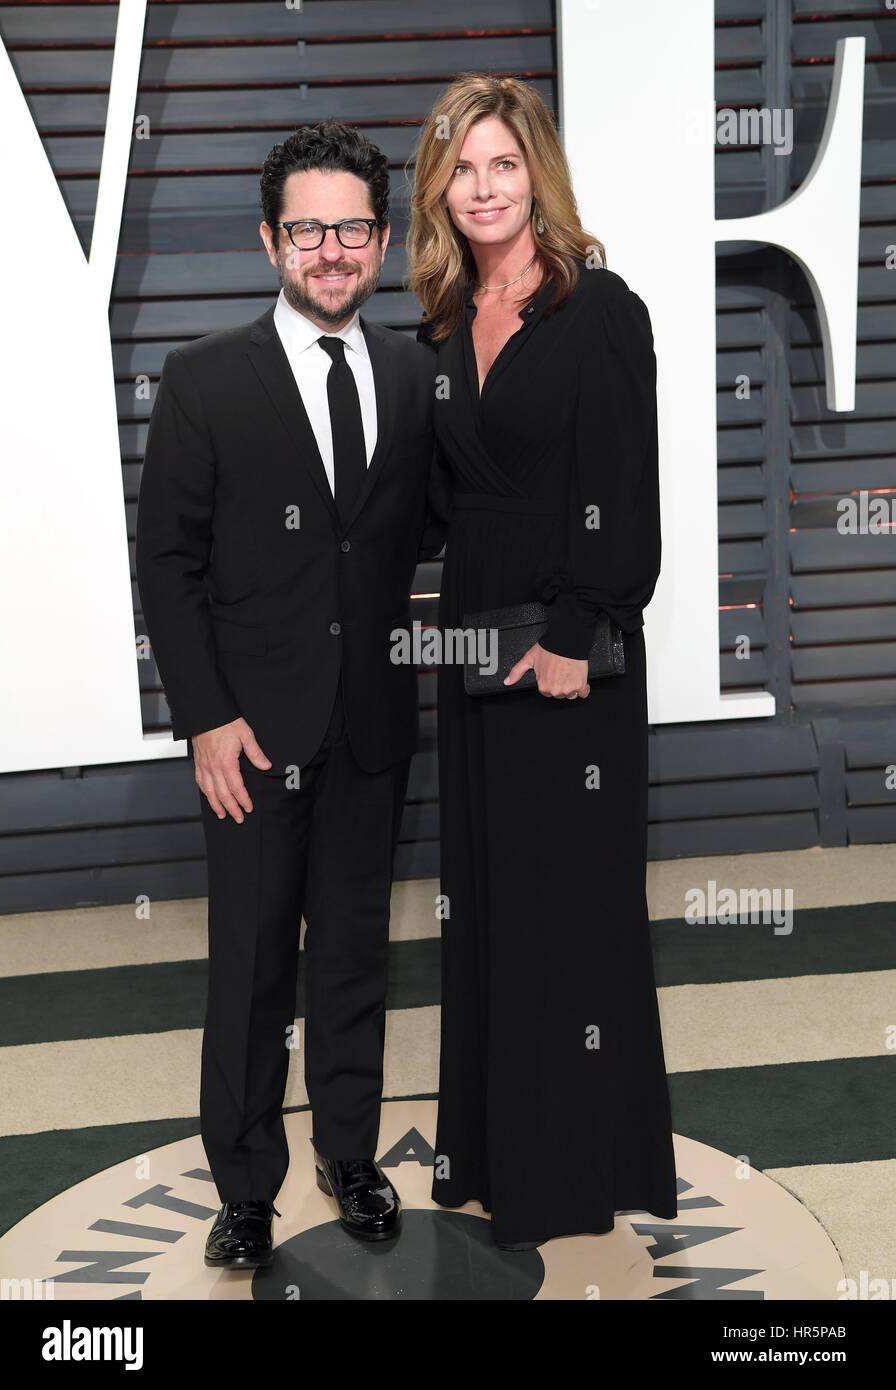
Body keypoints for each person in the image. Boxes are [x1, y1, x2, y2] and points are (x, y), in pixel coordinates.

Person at [136, 122, 442, 1267]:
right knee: (253, 964)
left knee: (357, 950)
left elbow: (430, 527)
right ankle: (247, 1187)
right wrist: (207, 717)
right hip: (250, 736)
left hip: (371, 723)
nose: (331, 249)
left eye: (352, 228)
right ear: (271, 240)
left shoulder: (416, 373)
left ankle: (351, 1157)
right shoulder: (205, 378)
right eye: (307, 229)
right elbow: (165, 563)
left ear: (380, 241)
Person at [407, 75, 679, 1248]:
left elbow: (625, 491)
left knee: (568, 902)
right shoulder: (436, 322)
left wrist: (574, 630)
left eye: (502, 165)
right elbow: (429, 502)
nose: (482, 188)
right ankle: (493, 1151)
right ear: (439, 187)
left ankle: (573, 1172)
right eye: (462, 169)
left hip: (568, 646)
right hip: (473, 637)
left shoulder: (599, 309)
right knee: (488, 899)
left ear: (537, 177)